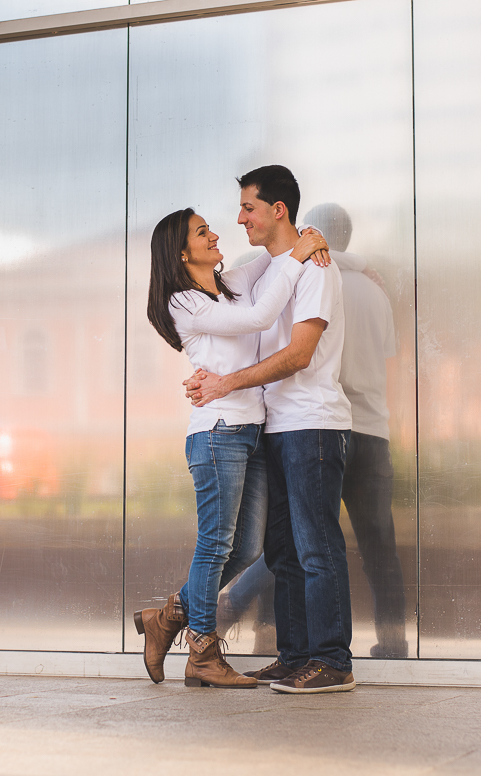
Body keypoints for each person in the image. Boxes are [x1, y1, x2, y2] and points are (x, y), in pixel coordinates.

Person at [134, 207, 329, 688]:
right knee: (216, 544)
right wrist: (299, 255)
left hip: (252, 430)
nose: (216, 233)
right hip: (218, 432)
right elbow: (261, 316)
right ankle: (202, 652)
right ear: (182, 253)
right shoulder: (185, 301)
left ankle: (167, 618)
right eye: (203, 233)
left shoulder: (231, 283)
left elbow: (275, 257)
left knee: (245, 548)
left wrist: (309, 236)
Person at [184, 165, 355, 694]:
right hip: (276, 427)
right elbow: (244, 308)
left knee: (316, 546)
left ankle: (331, 661)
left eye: (248, 208)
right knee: (281, 552)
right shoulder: (268, 269)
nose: (239, 219)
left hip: (313, 424)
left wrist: (225, 384)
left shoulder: (317, 271)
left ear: (278, 210)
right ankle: (295, 654)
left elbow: (299, 354)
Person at [218, 203, 409, 659]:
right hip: (371, 429)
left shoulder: (313, 272)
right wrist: (364, 266)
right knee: (377, 543)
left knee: (306, 540)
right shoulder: (374, 290)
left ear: (316, 233)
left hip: (321, 426)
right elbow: (387, 359)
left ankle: (272, 628)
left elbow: (251, 275)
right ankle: (394, 639)